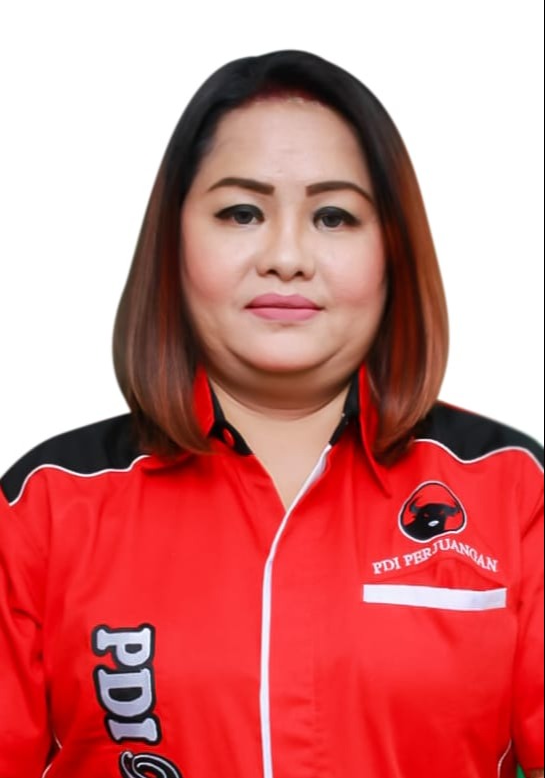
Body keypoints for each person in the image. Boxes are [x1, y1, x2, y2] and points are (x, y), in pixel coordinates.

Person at [0, 50, 542, 778]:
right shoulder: (44, 506)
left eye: (333, 216)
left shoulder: (514, 491)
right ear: (173, 241)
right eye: (241, 212)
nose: (286, 257)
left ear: (393, 249)